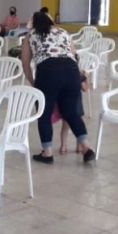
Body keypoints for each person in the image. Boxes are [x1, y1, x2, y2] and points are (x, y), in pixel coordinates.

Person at [21, 12, 95, 163]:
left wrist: (33, 82)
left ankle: (47, 153)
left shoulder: (30, 35)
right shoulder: (63, 32)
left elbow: (25, 62)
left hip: (48, 72)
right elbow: (74, 55)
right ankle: (86, 148)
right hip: (71, 70)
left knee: (44, 114)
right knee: (71, 113)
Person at [55, 71, 90, 154]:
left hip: (64, 104)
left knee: (65, 126)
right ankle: (79, 146)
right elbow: (85, 88)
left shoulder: (61, 75)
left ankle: (63, 146)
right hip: (76, 105)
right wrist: (86, 77)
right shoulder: (78, 76)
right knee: (78, 124)